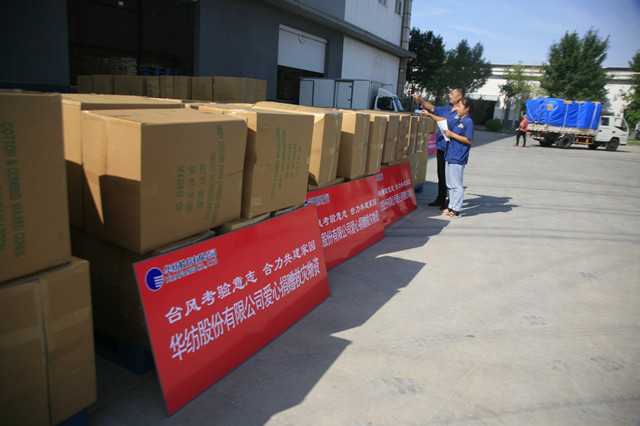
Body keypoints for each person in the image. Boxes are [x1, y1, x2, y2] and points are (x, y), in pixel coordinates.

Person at [412, 87, 465, 209]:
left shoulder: (461, 112)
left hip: (453, 147)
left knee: (451, 176)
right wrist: (420, 100)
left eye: (452, 94)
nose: (450, 96)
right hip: (442, 145)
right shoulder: (446, 109)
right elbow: (432, 107)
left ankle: (451, 202)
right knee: (441, 173)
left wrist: (430, 115)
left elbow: (446, 121)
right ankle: (441, 198)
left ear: (459, 96)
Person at [422, 97, 475, 218]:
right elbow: (444, 120)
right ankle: (451, 206)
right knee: (450, 184)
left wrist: (452, 134)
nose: (457, 109)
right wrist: (430, 115)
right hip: (450, 154)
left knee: (456, 185)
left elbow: (469, 140)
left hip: (458, 156)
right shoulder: (457, 119)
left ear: (467, 109)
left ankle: (456, 210)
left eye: (460, 107)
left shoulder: (468, 122)